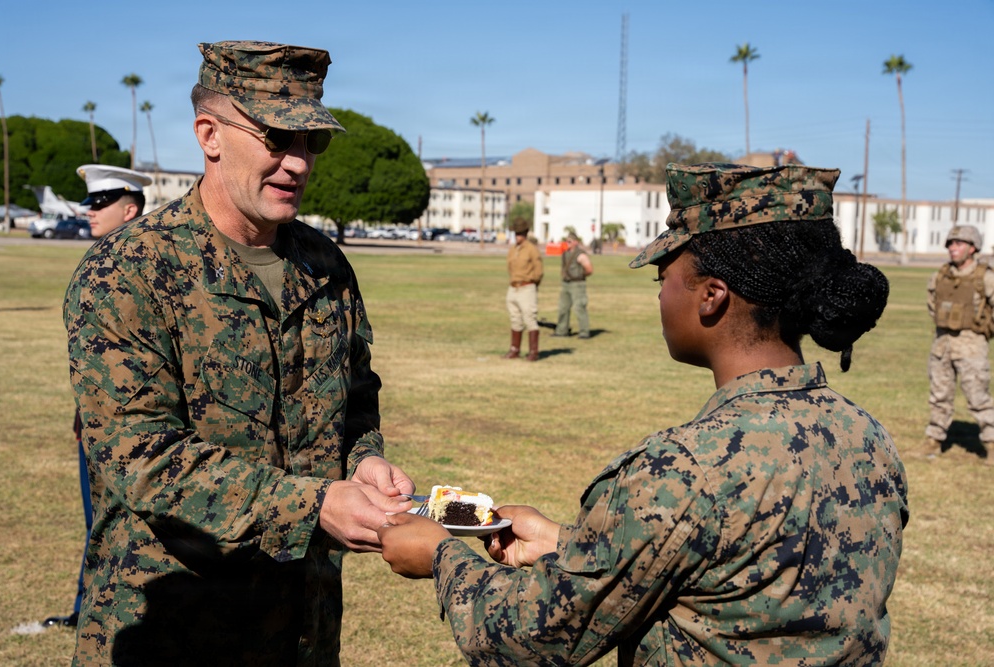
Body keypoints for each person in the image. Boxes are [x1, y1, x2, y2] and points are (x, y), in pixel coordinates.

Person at [378, 163, 909, 666]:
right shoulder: (867, 437)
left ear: (711, 296)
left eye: (663, 278)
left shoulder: (685, 468)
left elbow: (530, 638)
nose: (660, 297)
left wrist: (441, 557)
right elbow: (727, 572)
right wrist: (567, 544)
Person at [63, 40, 415, 665]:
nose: (298, 163)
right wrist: (313, 504)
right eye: (276, 138)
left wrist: (363, 460)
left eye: (312, 141)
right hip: (173, 628)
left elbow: (357, 396)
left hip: (302, 623)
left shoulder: (324, 264)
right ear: (210, 135)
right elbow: (141, 457)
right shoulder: (129, 271)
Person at [42, 165, 152, 630]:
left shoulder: (147, 264)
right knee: (99, 522)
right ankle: (86, 610)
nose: (90, 212)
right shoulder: (101, 260)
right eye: (90, 203)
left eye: (101, 204)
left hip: (138, 426)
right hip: (97, 422)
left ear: (130, 209)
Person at [922, 224, 994, 464]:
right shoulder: (941, 275)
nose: (953, 248)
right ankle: (934, 440)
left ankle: (992, 443)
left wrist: (984, 329)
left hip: (971, 344)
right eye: (950, 244)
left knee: (978, 396)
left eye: (959, 243)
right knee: (939, 395)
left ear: (973, 248)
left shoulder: (985, 277)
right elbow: (932, 303)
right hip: (942, 343)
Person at [504, 219, 544, 361]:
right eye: (516, 233)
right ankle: (514, 349)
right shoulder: (513, 249)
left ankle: (533, 352)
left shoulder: (531, 249)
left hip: (527, 286)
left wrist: (532, 284)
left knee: (529, 319)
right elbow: (510, 267)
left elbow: (538, 271)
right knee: (515, 319)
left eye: (520, 233)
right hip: (513, 287)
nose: (517, 236)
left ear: (525, 234)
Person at [553, 231, 594, 339]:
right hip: (566, 284)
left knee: (579, 307)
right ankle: (562, 331)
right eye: (567, 241)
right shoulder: (565, 253)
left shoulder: (581, 255)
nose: (568, 243)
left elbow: (589, 269)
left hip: (577, 284)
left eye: (570, 241)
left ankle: (584, 332)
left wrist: (580, 275)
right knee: (563, 308)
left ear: (576, 242)